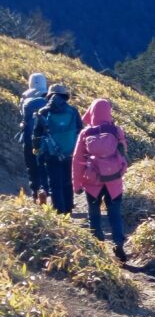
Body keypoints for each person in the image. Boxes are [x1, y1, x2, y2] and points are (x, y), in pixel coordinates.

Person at [72, 99, 129, 262]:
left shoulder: (85, 133)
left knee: (94, 215)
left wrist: (77, 185)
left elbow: (77, 160)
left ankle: (98, 246)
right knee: (115, 214)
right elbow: (123, 152)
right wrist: (120, 172)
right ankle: (118, 243)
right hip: (113, 181)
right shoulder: (117, 130)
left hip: (93, 182)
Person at [32, 84, 83, 215]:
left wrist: (36, 149)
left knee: (55, 183)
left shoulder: (43, 112)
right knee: (67, 181)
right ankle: (69, 207)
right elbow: (80, 130)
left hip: (51, 153)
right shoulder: (73, 111)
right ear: (65, 97)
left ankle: (60, 212)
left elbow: (37, 133)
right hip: (71, 152)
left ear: (49, 96)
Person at [18, 72, 49, 203]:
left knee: (31, 166)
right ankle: (44, 189)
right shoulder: (48, 98)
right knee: (44, 165)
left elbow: (23, 119)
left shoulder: (25, 99)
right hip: (43, 138)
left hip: (28, 137)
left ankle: (35, 193)